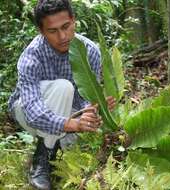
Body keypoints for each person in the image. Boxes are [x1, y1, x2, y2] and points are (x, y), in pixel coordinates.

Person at [8, 0, 116, 189]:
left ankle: (53, 146)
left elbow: (84, 98)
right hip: (25, 113)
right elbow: (32, 110)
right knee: (63, 87)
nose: (62, 36)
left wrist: (92, 110)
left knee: (77, 139)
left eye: (66, 26)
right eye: (53, 31)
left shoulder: (89, 51)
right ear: (42, 31)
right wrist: (72, 124)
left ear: (74, 21)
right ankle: (42, 159)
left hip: (66, 114)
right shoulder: (32, 56)